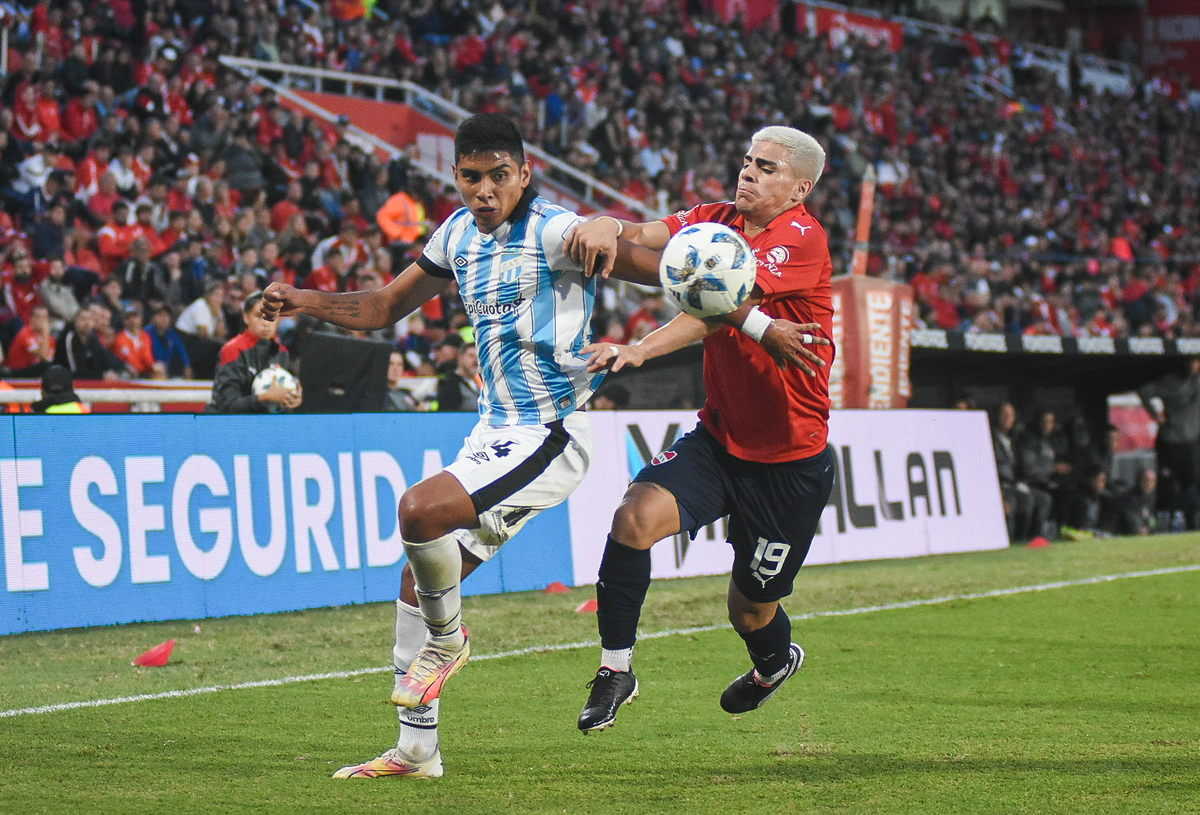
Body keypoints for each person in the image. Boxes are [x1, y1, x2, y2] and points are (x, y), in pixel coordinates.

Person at [260, 114, 820, 780]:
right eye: (472, 177)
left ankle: (448, 640)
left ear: (524, 173)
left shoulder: (554, 230)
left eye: (500, 175)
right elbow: (383, 307)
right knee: (420, 575)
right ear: (457, 177)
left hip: (551, 431)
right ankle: (417, 750)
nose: (486, 190)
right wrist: (302, 299)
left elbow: (674, 272)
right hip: (494, 431)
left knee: (418, 512)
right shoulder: (458, 233)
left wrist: (625, 248)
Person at [563, 126, 836, 732]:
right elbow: (650, 239)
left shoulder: (802, 238)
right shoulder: (715, 219)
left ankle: (772, 665)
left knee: (750, 608)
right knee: (634, 518)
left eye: (766, 168)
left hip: (789, 461)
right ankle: (616, 670)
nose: (749, 174)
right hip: (720, 439)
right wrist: (609, 224)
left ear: (800, 189)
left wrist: (640, 348)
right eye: (746, 162)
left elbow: (714, 304)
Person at [205, 292, 302, 414]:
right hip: (227, 425)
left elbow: (280, 404)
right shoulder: (232, 349)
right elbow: (226, 405)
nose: (266, 323)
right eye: (259, 316)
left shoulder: (282, 352)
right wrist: (264, 397)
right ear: (246, 318)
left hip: (263, 425)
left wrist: (292, 401)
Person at [1138, 357, 1200, 530]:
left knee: (1192, 485)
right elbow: (1144, 391)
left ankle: (1193, 522)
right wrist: (1156, 415)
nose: (1195, 366)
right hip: (1170, 441)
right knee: (1167, 485)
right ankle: (1163, 523)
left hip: (1191, 442)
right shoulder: (1170, 382)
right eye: (1192, 361)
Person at [435, 342, 480, 412]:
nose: (475, 361)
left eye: (478, 357)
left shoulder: (480, 382)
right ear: (460, 358)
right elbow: (447, 413)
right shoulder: (450, 383)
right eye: (471, 356)